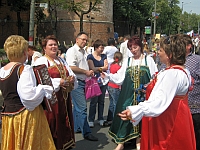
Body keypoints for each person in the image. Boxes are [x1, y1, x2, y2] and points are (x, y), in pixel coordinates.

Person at [118, 34, 196, 150]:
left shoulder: (172, 74)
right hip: (175, 115)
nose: (158, 53)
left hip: (168, 120)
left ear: (169, 55)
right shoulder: (180, 70)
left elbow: (160, 101)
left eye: (161, 50)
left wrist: (136, 110)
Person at [0, 35, 56, 150]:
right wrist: (43, 88)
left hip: (8, 115)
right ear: (23, 52)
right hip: (25, 115)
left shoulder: (2, 70)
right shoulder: (24, 69)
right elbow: (29, 97)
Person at [102, 36, 157, 150]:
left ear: (140, 47)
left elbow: (154, 77)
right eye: (131, 48)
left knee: (143, 116)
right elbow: (120, 77)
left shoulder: (148, 60)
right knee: (125, 114)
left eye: (135, 47)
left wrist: (149, 87)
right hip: (128, 94)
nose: (133, 50)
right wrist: (108, 76)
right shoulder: (127, 61)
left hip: (143, 96)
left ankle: (139, 140)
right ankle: (121, 142)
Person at [34, 35, 77, 149]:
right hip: (51, 98)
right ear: (44, 48)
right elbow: (40, 79)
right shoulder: (41, 61)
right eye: (50, 45)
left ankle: (65, 143)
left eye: (55, 44)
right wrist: (59, 82)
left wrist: (71, 78)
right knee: (54, 121)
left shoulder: (61, 60)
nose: (53, 47)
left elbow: (70, 72)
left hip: (64, 96)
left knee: (65, 118)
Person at [66, 32, 98, 141]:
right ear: (77, 39)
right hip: (77, 82)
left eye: (86, 40)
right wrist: (85, 72)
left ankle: (76, 127)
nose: (84, 42)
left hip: (83, 81)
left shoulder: (83, 51)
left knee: (77, 107)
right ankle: (87, 132)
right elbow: (71, 66)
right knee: (82, 107)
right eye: (83, 39)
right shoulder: (72, 51)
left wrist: (89, 72)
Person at [181, 34, 200, 150]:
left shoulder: (197, 60)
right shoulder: (171, 59)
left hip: (195, 109)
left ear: (189, 46)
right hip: (178, 110)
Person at [87, 39, 108, 127]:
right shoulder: (90, 57)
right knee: (93, 101)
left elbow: (106, 67)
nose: (102, 49)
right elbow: (92, 67)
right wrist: (101, 68)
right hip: (94, 80)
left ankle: (100, 118)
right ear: (96, 48)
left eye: (103, 47)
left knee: (101, 100)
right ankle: (91, 119)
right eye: (100, 47)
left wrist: (98, 68)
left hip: (103, 80)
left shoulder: (104, 56)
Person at [106, 51, 123, 125]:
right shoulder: (119, 68)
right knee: (116, 103)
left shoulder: (112, 65)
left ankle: (110, 118)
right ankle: (116, 120)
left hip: (110, 85)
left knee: (111, 103)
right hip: (116, 86)